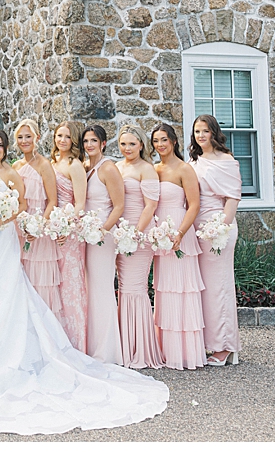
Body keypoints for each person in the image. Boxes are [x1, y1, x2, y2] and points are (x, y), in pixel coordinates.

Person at [0, 128, 169, 435]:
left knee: (8, 285)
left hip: (4, 234)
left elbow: (23, 204)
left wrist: (5, 217)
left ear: (5, 148)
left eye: (0, 145)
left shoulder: (13, 172)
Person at [150, 123, 206, 370]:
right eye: (156, 141)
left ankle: (185, 352)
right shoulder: (154, 169)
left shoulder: (185, 169)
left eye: (164, 139)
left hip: (180, 231)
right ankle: (165, 350)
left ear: (173, 141)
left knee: (182, 288)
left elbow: (194, 205)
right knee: (164, 288)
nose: (160, 145)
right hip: (160, 235)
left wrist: (180, 233)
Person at [189, 114, 242, 366]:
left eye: (205, 131)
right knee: (204, 289)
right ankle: (209, 342)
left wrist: (221, 229)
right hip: (198, 230)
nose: (201, 135)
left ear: (214, 133)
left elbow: (232, 199)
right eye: (197, 131)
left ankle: (224, 346)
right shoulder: (194, 161)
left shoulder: (226, 160)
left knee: (219, 287)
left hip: (219, 229)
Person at [115, 124, 164, 370]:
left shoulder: (147, 169)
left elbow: (150, 206)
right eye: (123, 144)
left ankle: (140, 349)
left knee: (135, 288)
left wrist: (135, 233)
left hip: (140, 234)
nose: (127, 148)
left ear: (141, 145)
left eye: (132, 144)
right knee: (123, 289)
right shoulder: (117, 167)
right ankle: (123, 347)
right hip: (120, 233)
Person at [82, 124, 124, 365]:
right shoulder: (86, 167)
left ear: (103, 143)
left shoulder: (108, 168)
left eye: (94, 141)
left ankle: (106, 351)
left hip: (102, 236)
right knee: (89, 289)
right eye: (86, 141)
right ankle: (92, 346)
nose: (89, 145)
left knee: (101, 289)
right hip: (86, 235)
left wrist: (102, 231)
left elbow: (118, 205)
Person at [13, 118, 62, 315]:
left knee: (40, 282)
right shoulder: (15, 166)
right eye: (20, 137)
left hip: (39, 231)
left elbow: (52, 201)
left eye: (28, 136)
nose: (24, 141)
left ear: (37, 138)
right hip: (19, 232)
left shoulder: (44, 165)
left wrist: (37, 227)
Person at [50, 121, 87, 351]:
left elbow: (80, 203)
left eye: (66, 136)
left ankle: (75, 342)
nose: (62, 140)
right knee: (55, 284)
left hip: (69, 231)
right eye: (59, 135)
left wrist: (66, 227)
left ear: (73, 139)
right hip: (52, 229)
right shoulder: (52, 162)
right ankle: (56, 339)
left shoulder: (75, 165)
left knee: (70, 285)